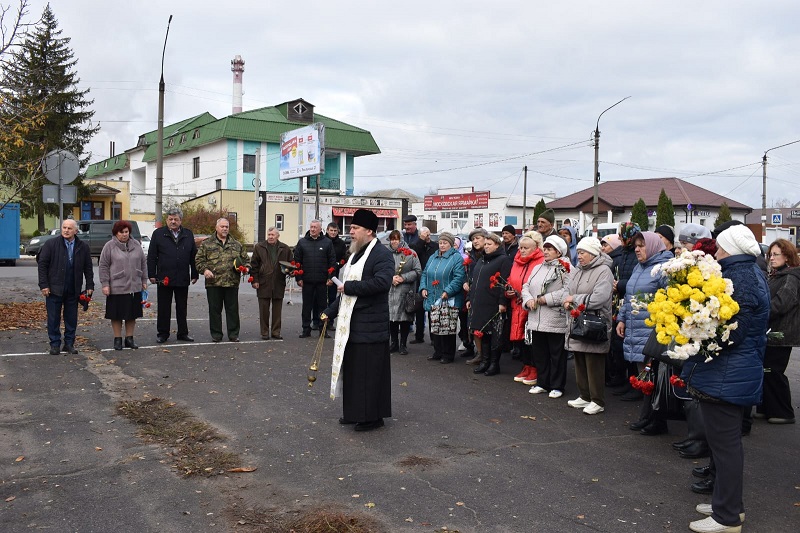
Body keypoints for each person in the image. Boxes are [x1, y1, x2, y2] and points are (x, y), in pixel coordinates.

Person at [682, 224, 768, 533]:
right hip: (731, 371)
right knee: (723, 445)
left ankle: (727, 516)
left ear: (730, 250)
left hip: (729, 372)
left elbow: (733, 331)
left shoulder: (741, 276)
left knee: (726, 445)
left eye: (719, 247)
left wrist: (694, 328)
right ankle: (728, 503)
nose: (714, 252)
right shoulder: (747, 271)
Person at [322, 209, 395, 432]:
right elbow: (345, 294)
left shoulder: (382, 255)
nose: (350, 232)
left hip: (371, 325)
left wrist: (350, 287)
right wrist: (330, 311)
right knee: (353, 372)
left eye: (355, 228)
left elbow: (382, 283)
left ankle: (372, 417)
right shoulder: (355, 254)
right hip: (352, 325)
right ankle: (354, 412)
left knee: (369, 373)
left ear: (369, 231)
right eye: (351, 228)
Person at [615, 231, 672, 434]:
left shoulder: (664, 268)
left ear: (654, 246)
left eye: (642, 245)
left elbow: (670, 300)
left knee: (655, 376)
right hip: (635, 329)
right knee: (645, 376)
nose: (637, 249)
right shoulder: (640, 268)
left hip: (653, 332)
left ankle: (657, 420)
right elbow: (630, 296)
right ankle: (647, 416)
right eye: (636, 245)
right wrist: (621, 318)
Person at [563, 237, 614, 415]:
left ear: (593, 254)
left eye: (583, 252)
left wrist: (574, 300)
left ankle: (597, 400)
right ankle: (584, 396)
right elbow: (568, 291)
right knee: (579, 360)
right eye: (579, 252)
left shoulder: (604, 271)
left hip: (594, 323)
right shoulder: (577, 270)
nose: (580, 256)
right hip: (578, 321)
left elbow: (599, 298)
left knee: (594, 363)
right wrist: (567, 302)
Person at [522, 235, 571, 397]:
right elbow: (526, 286)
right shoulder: (538, 267)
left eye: (550, 249)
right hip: (536, 318)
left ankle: (557, 385)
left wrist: (546, 299)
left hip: (554, 318)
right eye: (546, 248)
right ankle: (543, 382)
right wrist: (528, 299)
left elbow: (568, 291)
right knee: (540, 353)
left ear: (559, 252)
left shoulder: (566, 268)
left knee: (556, 354)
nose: (546, 251)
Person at [38, 219, 94, 355]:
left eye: (69, 228)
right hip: (54, 288)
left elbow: (88, 267)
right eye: (64, 227)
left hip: (73, 288)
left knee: (71, 318)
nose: (66, 230)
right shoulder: (51, 244)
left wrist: (90, 285)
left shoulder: (83, 246)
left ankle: (69, 344)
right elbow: (42, 265)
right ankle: (55, 344)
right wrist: (44, 285)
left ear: (76, 231)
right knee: (53, 318)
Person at [759, 238, 799, 424]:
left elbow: (782, 303)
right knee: (766, 371)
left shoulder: (790, 277)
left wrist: (761, 313)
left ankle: (783, 411)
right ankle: (767, 407)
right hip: (771, 331)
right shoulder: (777, 275)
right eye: (770, 255)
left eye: (776, 255)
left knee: (774, 372)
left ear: (787, 256)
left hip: (781, 332)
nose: (771, 258)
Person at [147, 207, 198, 343]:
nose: (173, 222)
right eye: (170, 219)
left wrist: (195, 273)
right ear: (166, 220)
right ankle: (163, 333)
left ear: (181, 220)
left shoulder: (188, 234)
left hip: (182, 276)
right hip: (164, 278)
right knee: (164, 307)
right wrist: (152, 274)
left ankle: (183, 333)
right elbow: (152, 256)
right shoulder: (158, 234)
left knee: (182, 307)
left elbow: (193, 256)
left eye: (176, 219)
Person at [195, 218, 249, 342]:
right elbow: (198, 261)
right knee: (214, 310)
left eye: (226, 227)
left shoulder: (236, 244)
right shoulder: (207, 244)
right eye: (222, 226)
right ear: (216, 227)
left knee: (232, 310)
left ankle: (233, 334)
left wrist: (245, 268)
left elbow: (246, 261)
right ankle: (216, 334)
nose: (224, 229)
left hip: (231, 282)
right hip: (213, 283)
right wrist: (205, 270)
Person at [99, 221, 148, 350]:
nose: (125, 235)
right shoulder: (109, 246)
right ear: (116, 233)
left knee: (132, 314)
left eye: (127, 232)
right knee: (116, 315)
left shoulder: (136, 244)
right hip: (116, 286)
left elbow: (143, 263)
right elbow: (103, 266)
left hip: (134, 286)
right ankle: (117, 339)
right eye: (122, 232)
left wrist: (144, 280)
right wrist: (105, 284)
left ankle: (129, 338)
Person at [466, 232, 510, 375]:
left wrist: (502, 302)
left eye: (489, 244)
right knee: (483, 332)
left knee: (494, 335)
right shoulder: (481, 260)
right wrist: (469, 298)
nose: (486, 247)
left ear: (497, 245)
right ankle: (484, 361)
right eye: (485, 244)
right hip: (479, 302)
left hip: (494, 303)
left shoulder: (503, 260)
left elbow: (505, 282)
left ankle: (494, 363)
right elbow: (474, 282)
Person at [419, 232, 466, 364]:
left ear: (451, 244)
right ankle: (437, 351)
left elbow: (459, 278)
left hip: (448, 298)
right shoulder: (433, 257)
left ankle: (448, 354)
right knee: (435, 324)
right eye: (440, 242)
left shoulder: (456, 258)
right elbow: (424, 273)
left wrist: (447, 291)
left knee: (447, 325)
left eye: (445, 243)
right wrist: (423, 288)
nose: (442, 245)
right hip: (433, 296)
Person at [507, 233, 545, 384]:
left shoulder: (540, 261)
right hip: (517, 304)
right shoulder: (517, 261)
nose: (521, 250)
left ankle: (534, 369)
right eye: (520, 247)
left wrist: (528, 297)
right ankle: (526, 366)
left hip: (532, 306)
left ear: (535, 248)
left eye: (525, 248)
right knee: (521, 339)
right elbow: (511, 279)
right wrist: (508, 290)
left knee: (532, 340)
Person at [293, 220, 336, 338]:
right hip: (307, 281)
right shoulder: (302, 243)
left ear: (320, 229)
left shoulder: (327, 243)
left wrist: (330, 278)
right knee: (306, 307)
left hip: (322, 282)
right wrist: (298, 278)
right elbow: (297, 262)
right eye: (311, 227)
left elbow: (332, 262)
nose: (312, 229)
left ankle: (323, 330)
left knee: (323, 307)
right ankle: (306, 329)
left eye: (315, 227)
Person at [250, 227, 292, 340]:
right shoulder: (259, 247)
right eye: (269, 234)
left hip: (279, 282)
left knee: (277, 310)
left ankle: (276, 332)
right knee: (264, 309)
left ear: (278, 236)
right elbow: (254, 265)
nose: (270, 237)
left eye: (273, 235)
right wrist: (255, 280)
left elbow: (291, 264)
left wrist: (291, 271)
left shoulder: (285, 248)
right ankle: (264, 332)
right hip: (263, 282)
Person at [386, 230, 422, 354]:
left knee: (404, 318)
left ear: (401, 239)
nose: (394, 241)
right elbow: (380, 269)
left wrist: (403, 278)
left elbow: (417, 271)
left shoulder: (411, 253)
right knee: (392, 319)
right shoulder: (386, 253)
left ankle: (403, 344)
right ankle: (394, 343)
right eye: (392, 239)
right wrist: (391, 278)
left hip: (406, 290)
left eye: (396, 239)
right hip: (390, 290)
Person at [462, 228, 489, 363]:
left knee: (486, 328)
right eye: (473, 239)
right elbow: (469, 275)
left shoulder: (490, 254)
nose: (475, 241)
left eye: (478, 238)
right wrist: (466, 284)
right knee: (473, 326)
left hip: (487, 295)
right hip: (473, 295)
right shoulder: (472, 256)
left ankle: (487, 356)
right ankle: (479, 354)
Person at [409, 226, 437, 345]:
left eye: (429, 234)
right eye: (425, 235)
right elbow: (415, 252)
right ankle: (419, 335)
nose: (428, 237)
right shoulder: (415, 245)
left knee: (432, 310)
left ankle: (433, 338)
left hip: (432, 281)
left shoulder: (434, 246)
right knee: (419, 310)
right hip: (420, 281)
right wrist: (421, 240)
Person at [325, 222, 348, 309]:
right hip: (322, 271)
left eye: (335, 231)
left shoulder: (341, 243)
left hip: (335, 272)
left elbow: (345, 257)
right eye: (331, 230)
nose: (333, 232)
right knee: (320, 297)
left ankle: (330, 318)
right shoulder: (323, 241)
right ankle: (319, 318)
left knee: (332, 296)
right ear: (327, 230)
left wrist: (338, 265)